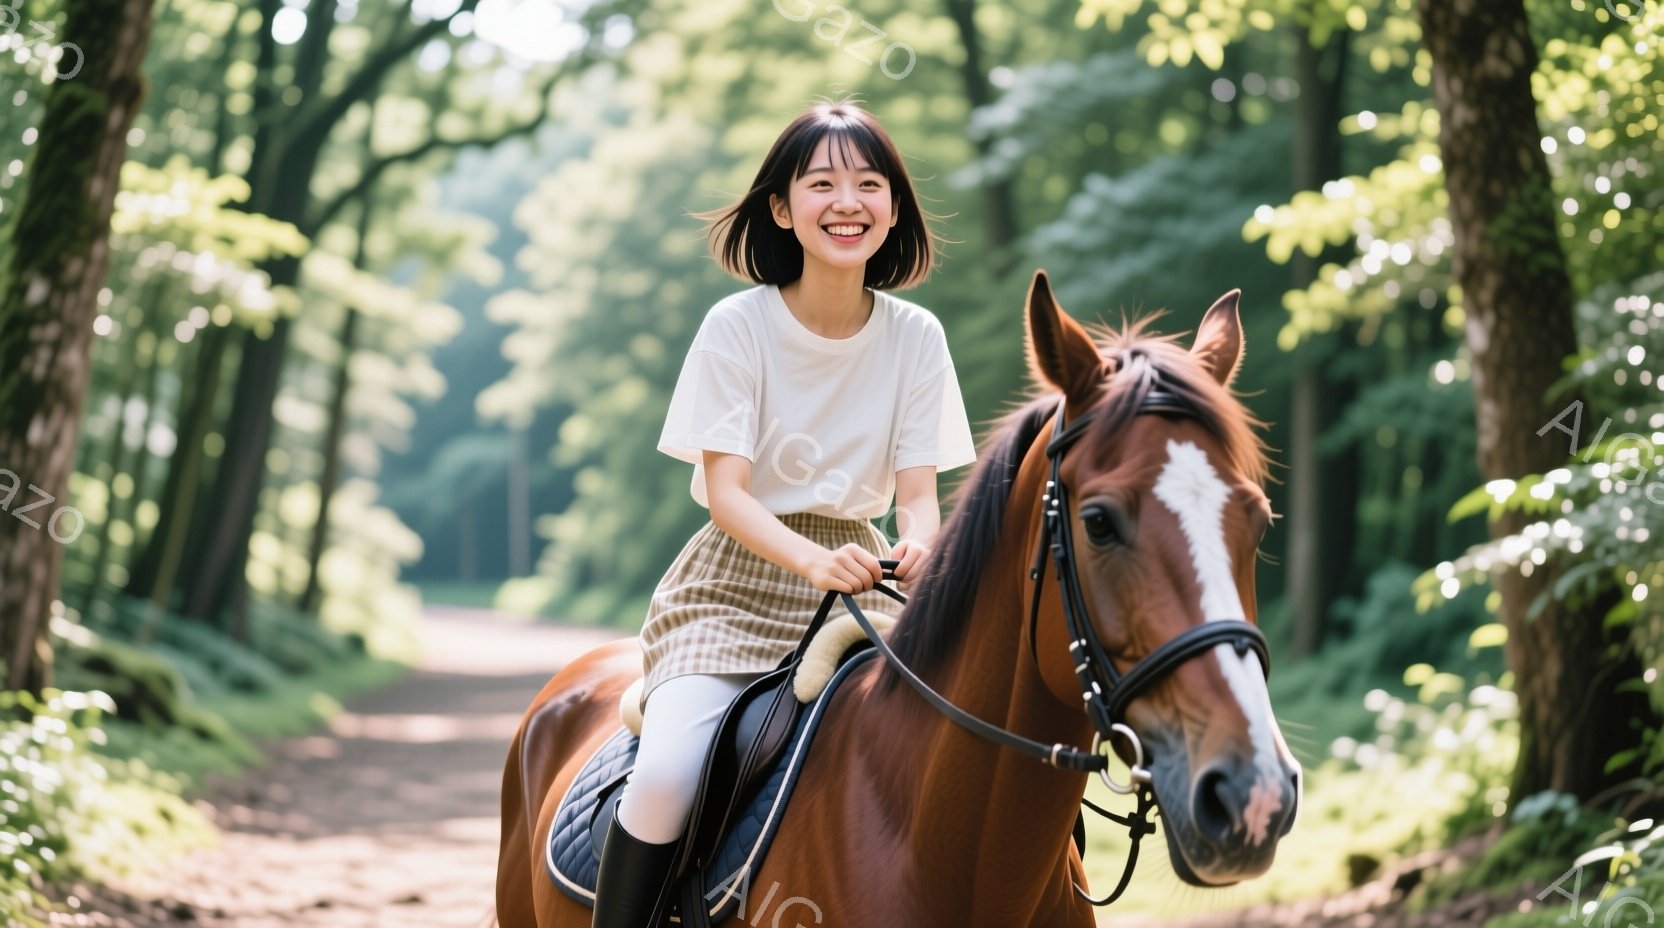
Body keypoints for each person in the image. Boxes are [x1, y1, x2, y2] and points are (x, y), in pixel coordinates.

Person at [591, 99, 977, 928]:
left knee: (970, 736)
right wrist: (812, 562)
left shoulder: (917, 336)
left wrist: (918, 546)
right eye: (822, 184)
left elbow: (918, 499)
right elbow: (729, 494)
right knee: (665, 777)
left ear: (894, 208)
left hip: (863, 583)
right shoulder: (737, 326)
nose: (848, 202)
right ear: (780, 208)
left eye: (869, 184)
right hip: (734, 588)